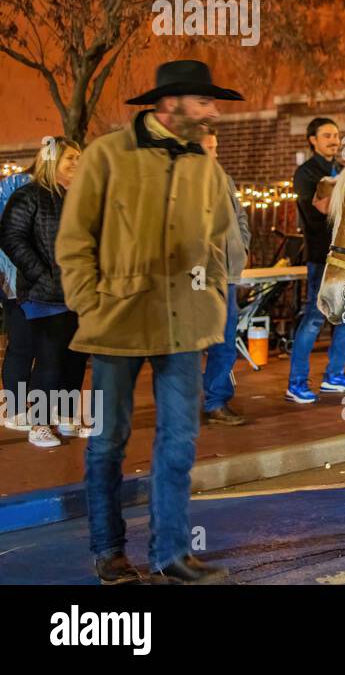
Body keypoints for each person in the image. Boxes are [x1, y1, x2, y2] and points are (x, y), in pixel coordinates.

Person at [56, 59, 240, 584]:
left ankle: (171, 553)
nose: (212, 113)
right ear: (169, 104)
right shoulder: (106, 156)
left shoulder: (207, 167)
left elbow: (218, 241)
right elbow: (73, 240)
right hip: (116, 321)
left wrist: (216, 299)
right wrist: (89, 302)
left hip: (185, 326)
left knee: (179, 442)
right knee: (109, 439)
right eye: (204, 102)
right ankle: (109, 550)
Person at [0, 138, 86, 448]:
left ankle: (65, 415)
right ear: (52, 162)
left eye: (79, 158)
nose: (77, 163)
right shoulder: (28, 196)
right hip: (44, 295)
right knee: (49, 359)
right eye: (70, 159)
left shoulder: (80, 198)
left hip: (79, 293)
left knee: (74, 358)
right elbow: (12, 237)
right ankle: (39, 424)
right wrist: (40, 274)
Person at [286, 116, 345, 404]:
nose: (334, 139)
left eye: (336, 134)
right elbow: (315, 214)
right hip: (323, 255)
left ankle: (334, 375)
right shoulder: (306, 173)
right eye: (327, 135)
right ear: (312, 140)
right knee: (315, 317)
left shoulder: (342, 170)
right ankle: (296, 382)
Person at [199, 132, 251, 426]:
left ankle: (216, 400)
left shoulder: (223, 179)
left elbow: (240, 216)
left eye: (215, 148)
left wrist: (242, 246)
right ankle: (194, 399)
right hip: (201, 276)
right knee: (194, 343)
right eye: (208, 149)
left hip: (228, 274)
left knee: (226, 341)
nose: (214, 155)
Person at [0, 163, 34, 430]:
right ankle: (14, 406)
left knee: (38, 347)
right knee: (22, 345)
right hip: (15, 284)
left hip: (35, 285)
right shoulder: (17, 189)